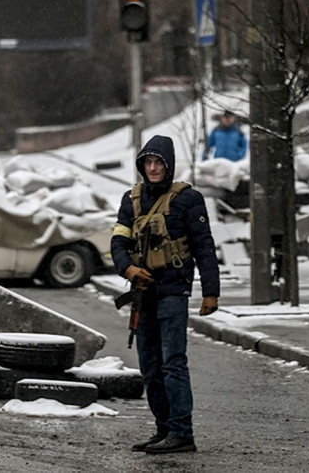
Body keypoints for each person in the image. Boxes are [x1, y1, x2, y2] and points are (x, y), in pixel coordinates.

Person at [110, 134, 220, 454]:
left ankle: (182, 432)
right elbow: (118, 243)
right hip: (143, 292)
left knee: (173, 362)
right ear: (142, 165)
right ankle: (164, 429)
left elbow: (204, 247)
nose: (154, 168)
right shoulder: (131, 199)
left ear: (168, 165)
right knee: (150, 367)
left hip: (174, 288)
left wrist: (210, 292)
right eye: (149, 162)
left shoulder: (189, 199)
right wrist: (128, 270)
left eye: (159, 163)